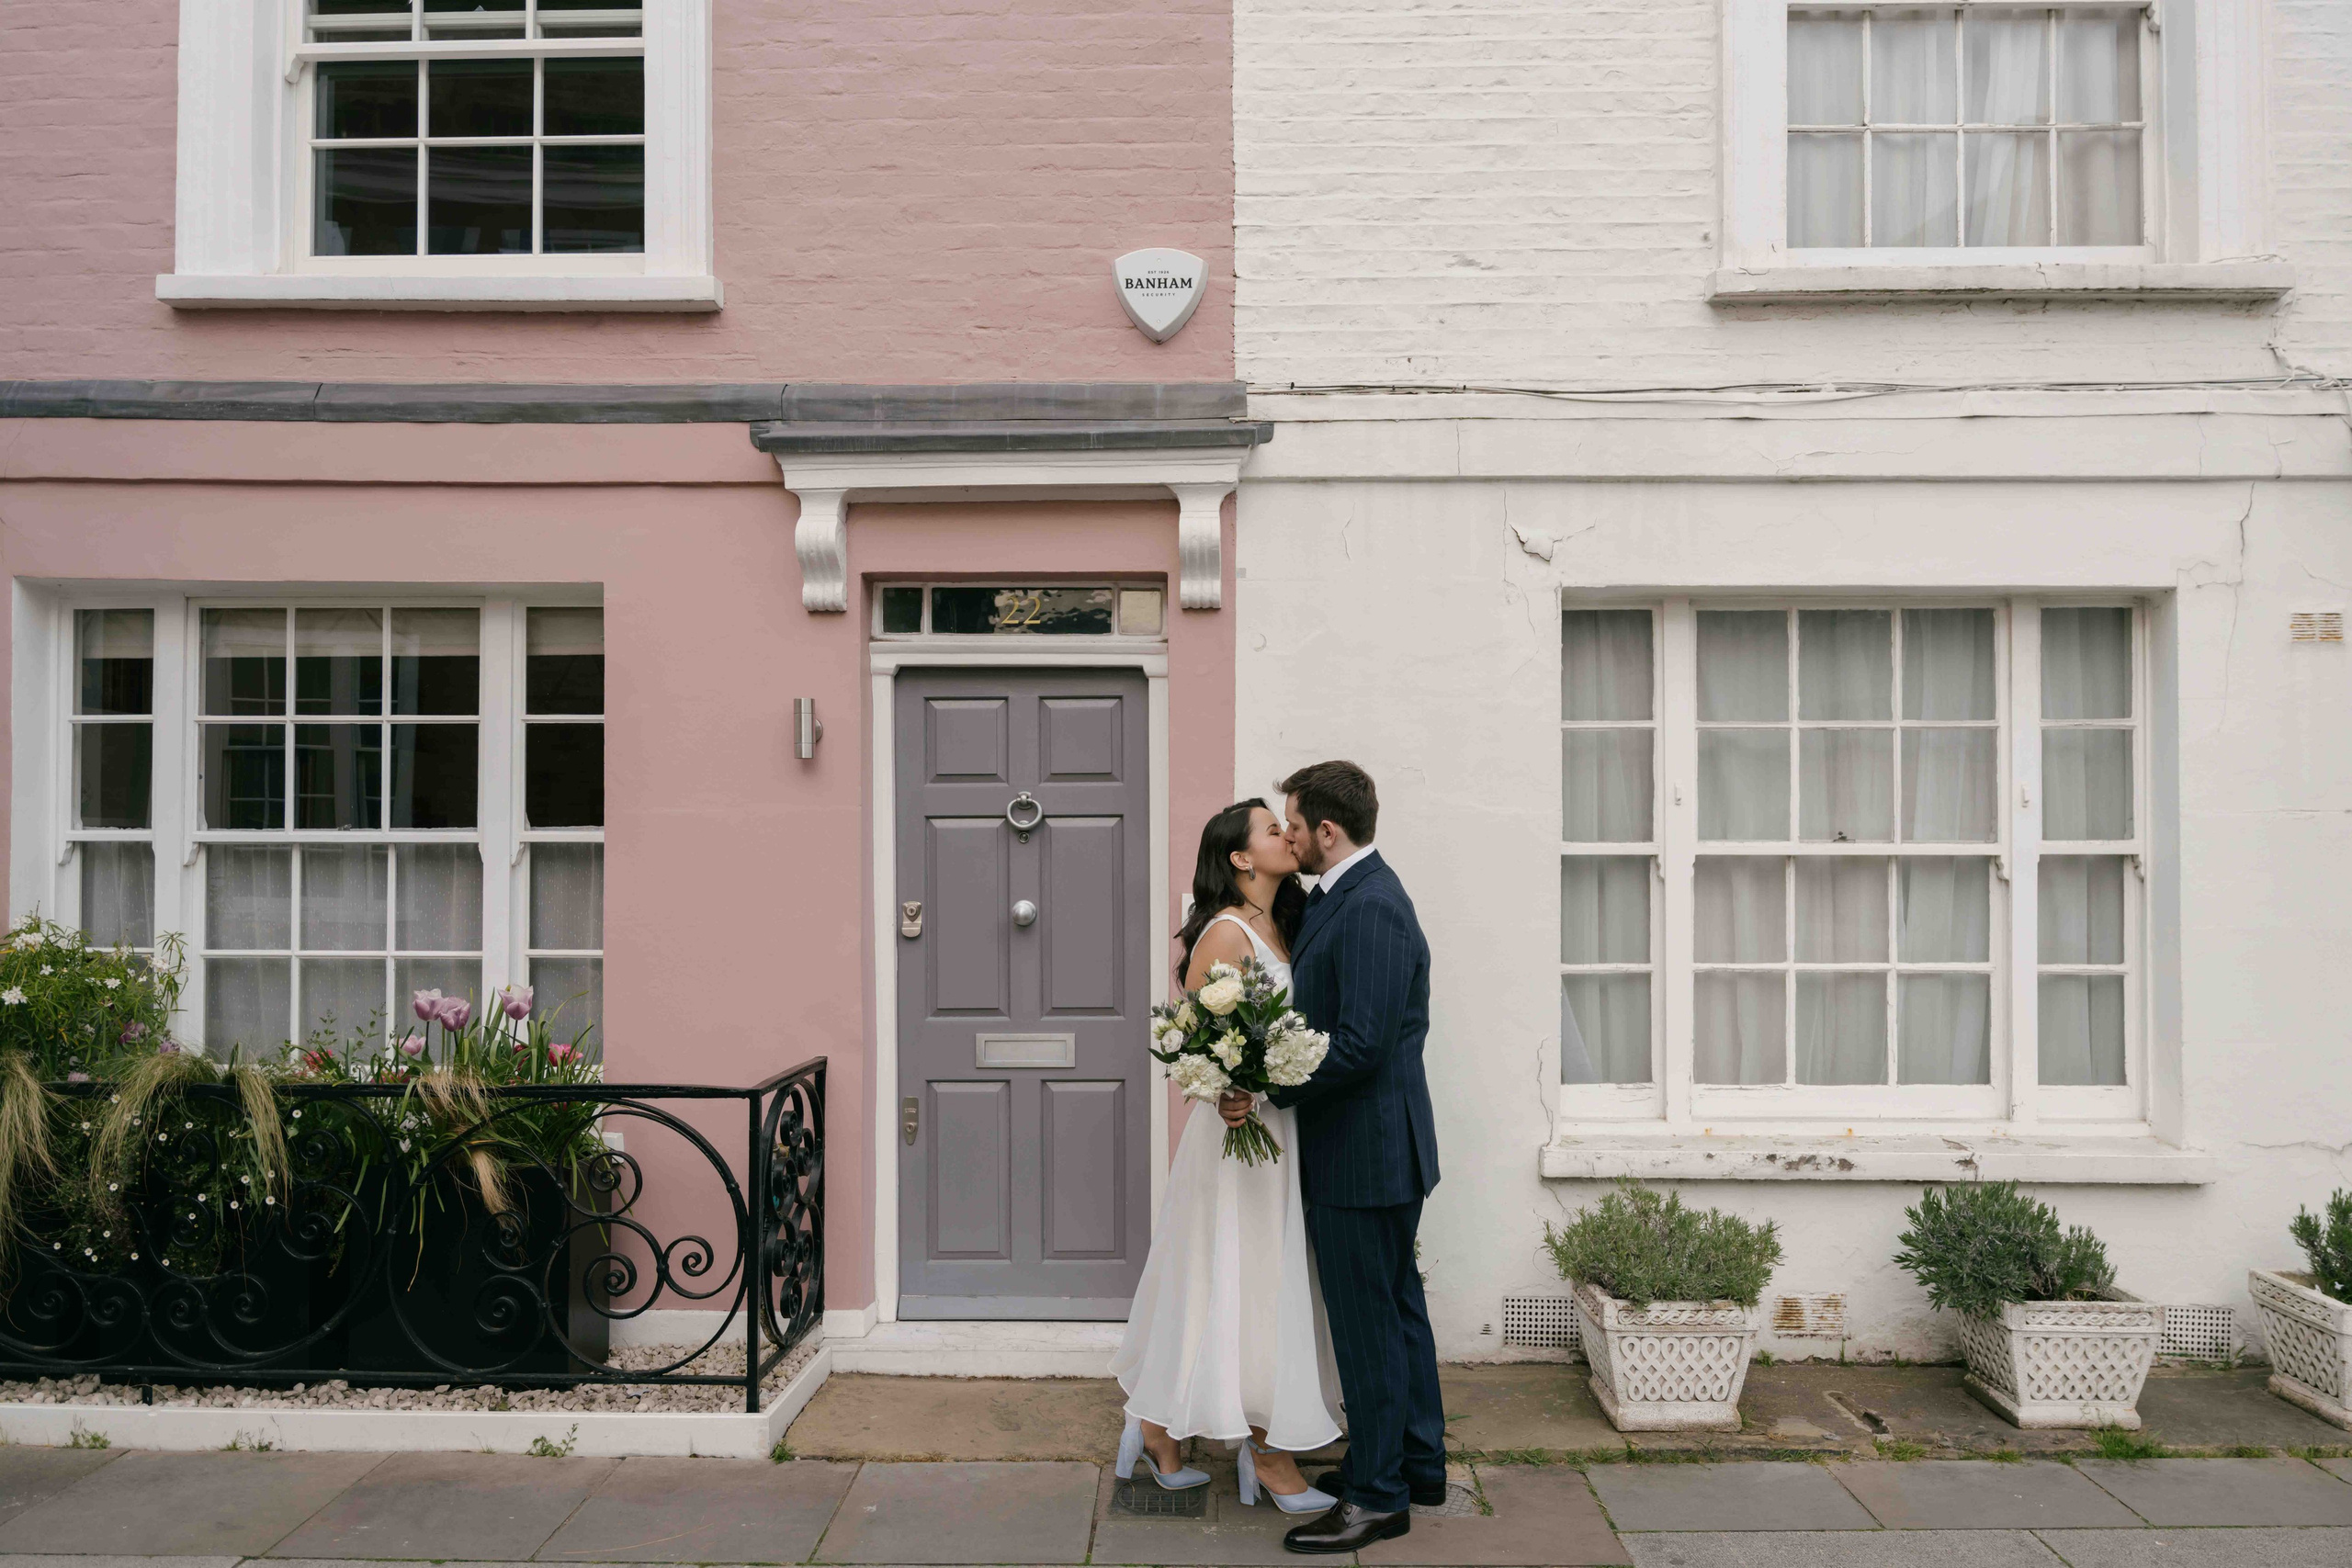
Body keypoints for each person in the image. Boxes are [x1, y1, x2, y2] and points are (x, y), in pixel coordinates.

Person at [1218, 760, 1443, 1554]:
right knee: (1394, 1311)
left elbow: (1361, 1045)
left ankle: (1378, 1496)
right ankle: (1415, 1464)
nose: (1287, 836)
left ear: (1326, 829)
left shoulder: (1372, 903)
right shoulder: (1343, 895)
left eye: (1293, 824)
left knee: (1368, 1327)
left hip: (1366, 1154)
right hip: (1370, 1149)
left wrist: (1266, 1087)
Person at [1108, 800, 1343, 1514]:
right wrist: (1225, 1092)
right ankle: (1254, 1449)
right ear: (1241, 858)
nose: (1287, 835)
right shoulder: (1224, 932)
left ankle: (1172, 1429)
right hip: (1240, 1141)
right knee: (1235, 1278)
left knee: (1261, 1281)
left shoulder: (1286, 920)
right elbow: (1198, 1040)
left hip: (1281, 1132)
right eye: (1272, 829)